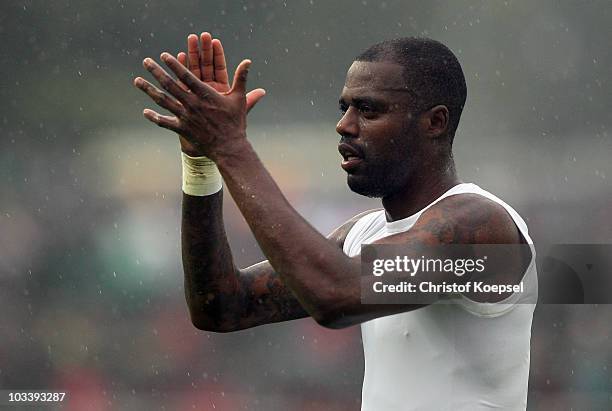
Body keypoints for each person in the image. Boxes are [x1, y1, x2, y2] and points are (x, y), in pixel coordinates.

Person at [134, 33, 537, 410]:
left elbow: (333, 296)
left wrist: (230, 146)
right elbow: (222, 306)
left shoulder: (482, 227)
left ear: (434, 122)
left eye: (369, 109)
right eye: (345, 107)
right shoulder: (363, 233)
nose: (344, 125)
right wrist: (202, 163)